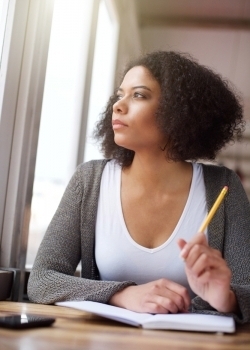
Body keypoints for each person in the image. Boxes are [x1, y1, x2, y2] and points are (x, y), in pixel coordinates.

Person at [28, 51, 250, 324]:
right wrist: (123, 294)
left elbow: (247, 290)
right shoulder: (90, 180)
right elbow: (41, 280)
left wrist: (225, 298)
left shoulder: (224, 187)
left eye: (139, 95)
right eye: (119, 95)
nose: (118, 106)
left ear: (179, 112)